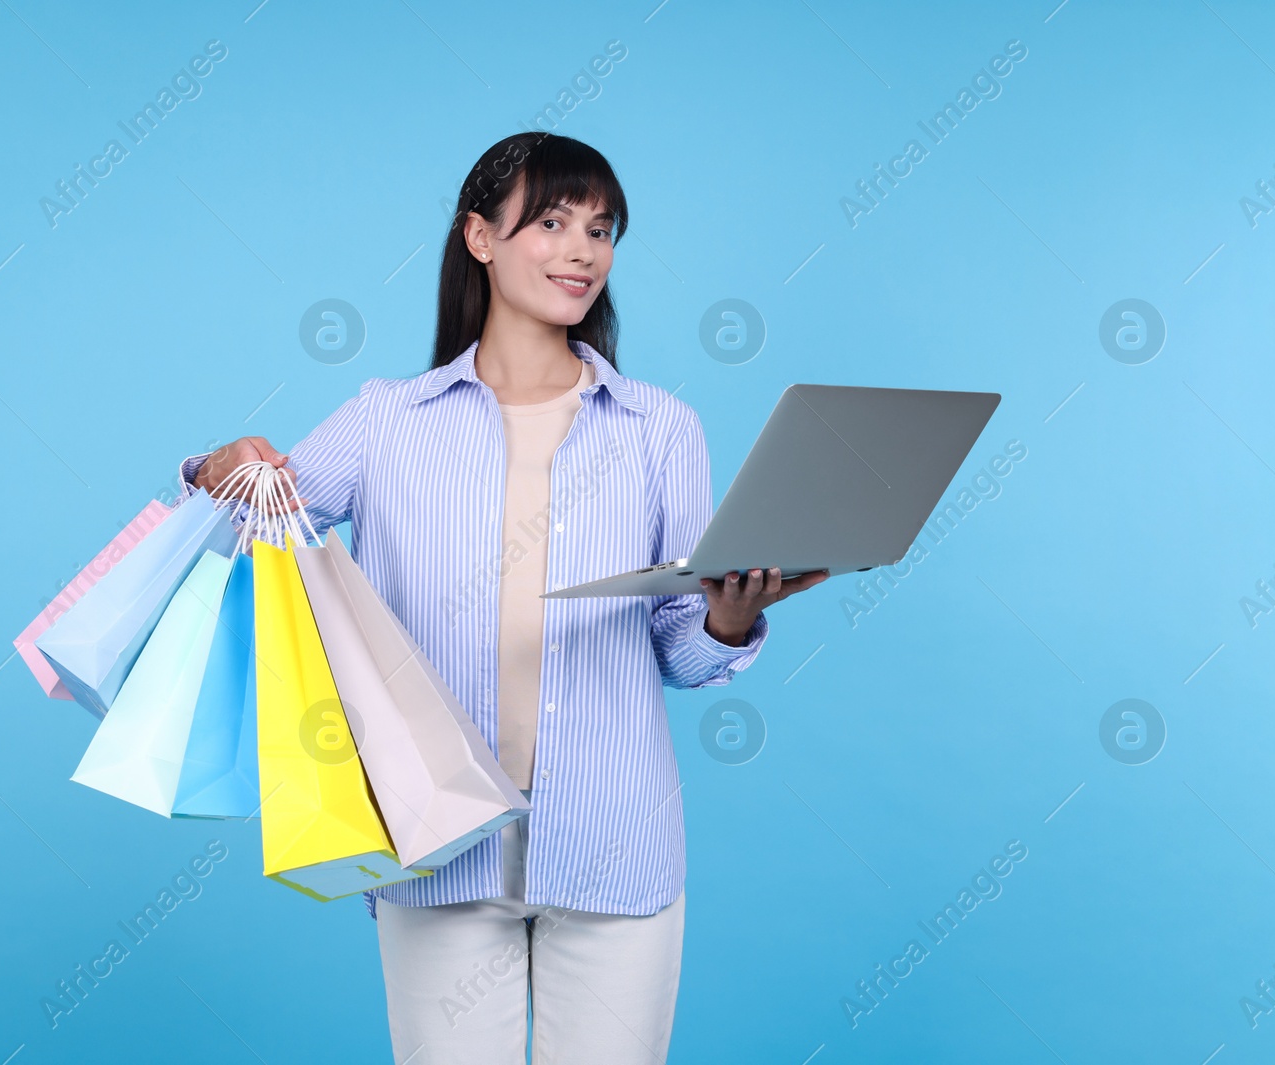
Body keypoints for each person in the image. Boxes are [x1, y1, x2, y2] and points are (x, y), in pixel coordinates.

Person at [178, 132, 828, 1064]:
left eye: (602, 230)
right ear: (481, 237)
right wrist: (214, 464)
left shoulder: (658, 430)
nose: (582, 251)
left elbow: (682, 650)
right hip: (436, 837)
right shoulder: (386, 422)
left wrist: (731, 616)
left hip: (614, 839)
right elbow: (250, 525)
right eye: (553, 223)